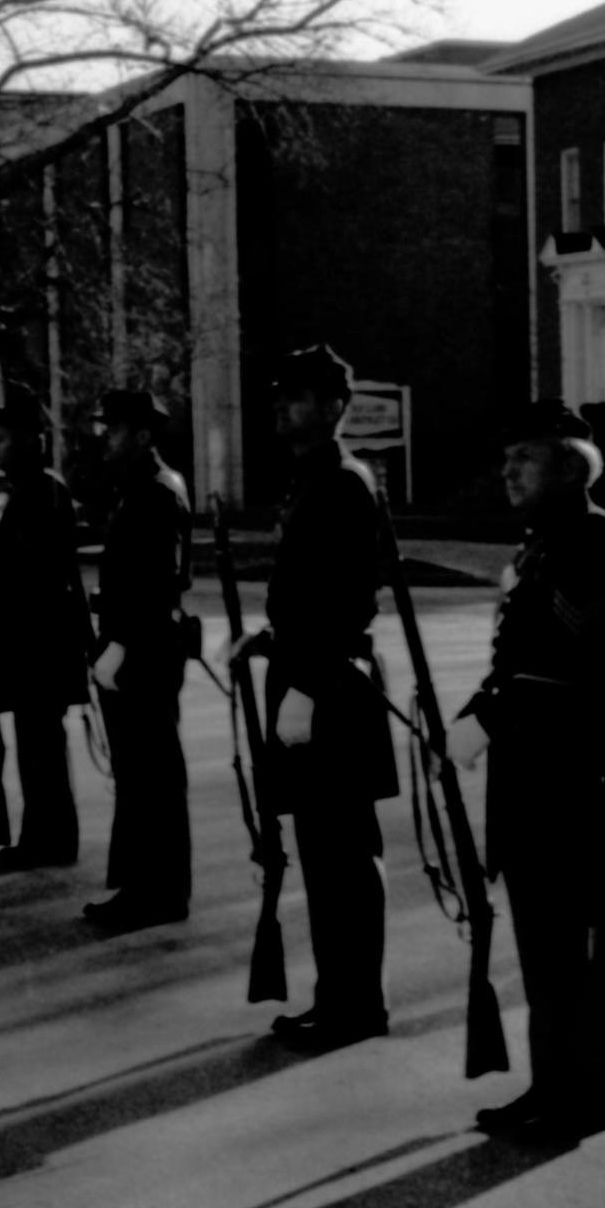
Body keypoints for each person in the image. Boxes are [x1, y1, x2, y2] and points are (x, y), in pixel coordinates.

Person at [458, 401, 605, 1145]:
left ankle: (584, 1093)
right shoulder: (545, 541)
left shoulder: (592, 538)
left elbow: (576, 657)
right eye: (508, 458)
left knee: (577, 939)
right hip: (535, 763)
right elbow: (517, 660)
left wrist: (493, 709)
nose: (509, 471)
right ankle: (552, 1082)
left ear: (571, 466)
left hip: (574, 766)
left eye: (526, 459)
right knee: (542, 938)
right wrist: (481, 707)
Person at [241, 344, 401, 1051]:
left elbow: (346, 600)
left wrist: (304, 682)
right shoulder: (311, 480)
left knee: (343, 852)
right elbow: (307, 594)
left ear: (336, 406)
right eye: (281, 395)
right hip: (310, 678)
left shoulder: (342, 482)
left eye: (299, 396)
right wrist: (272, 639)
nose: (283, 406)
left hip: (332, 688)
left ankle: (357, 1002)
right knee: (320, 850)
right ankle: (335, 994)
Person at [0, 386, 89, 870]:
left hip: (41, 646)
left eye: (3, 439)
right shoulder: (33, 492)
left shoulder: (43, 494)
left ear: (31, 440)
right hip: (31, 645)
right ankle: (43, 835)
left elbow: (27, 578)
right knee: (35, 748)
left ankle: (50, 840)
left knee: (42, 750)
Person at [83, 386, 195, 933]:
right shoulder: (137, 488)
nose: (106, 436)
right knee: (137, 774)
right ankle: (144, 886)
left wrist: (121, 642)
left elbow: (158, 582)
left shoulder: (156, 492)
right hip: (137, 647)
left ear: (145, 435)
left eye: (117, 428)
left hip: (146, 651)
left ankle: (159, 890)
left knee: (152, 775)